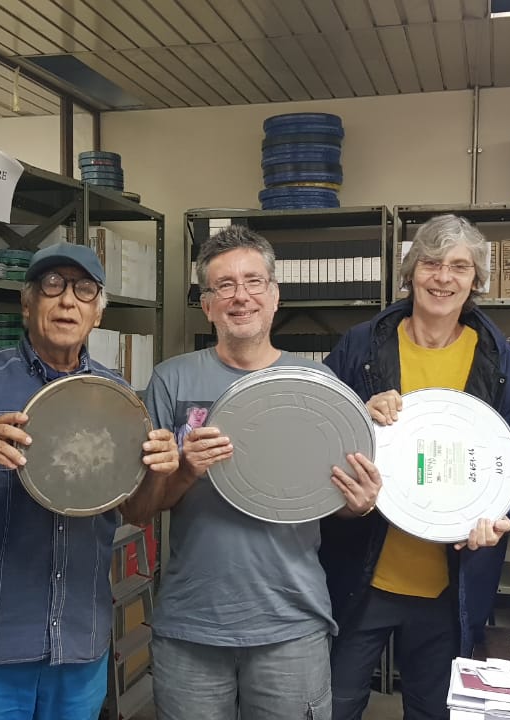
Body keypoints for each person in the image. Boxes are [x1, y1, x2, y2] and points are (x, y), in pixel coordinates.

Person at [0, 243, 179, 720]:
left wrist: (162, 471)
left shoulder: (117, 397)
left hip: (78, 644)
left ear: (97, 314)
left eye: (84, 289)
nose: (68, 300)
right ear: (27, 305)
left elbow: (135, 511)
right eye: (52, 286)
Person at [125, 225, 383, 720]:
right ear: (207, 305)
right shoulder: (172, 379)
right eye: (224, 285)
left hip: (292, 624)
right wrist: (186, 471)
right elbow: (138, 509)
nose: (240, 296)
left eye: (253, 282)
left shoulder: (317, 383)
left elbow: (336, 500)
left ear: (274, 295)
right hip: (192, 624)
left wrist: (360, 504)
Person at [320, 214, 510, 720]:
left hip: (452, 586)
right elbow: (318, 432)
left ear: (476, 279)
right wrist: (359, 415)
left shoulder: (499, 360)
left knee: (434, 711)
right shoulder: (362, 345)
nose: (443, 278)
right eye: (430, 263)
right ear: (411, 272)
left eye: (459, 266)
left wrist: (504, 511)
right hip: (360, 575)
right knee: (332, 705)